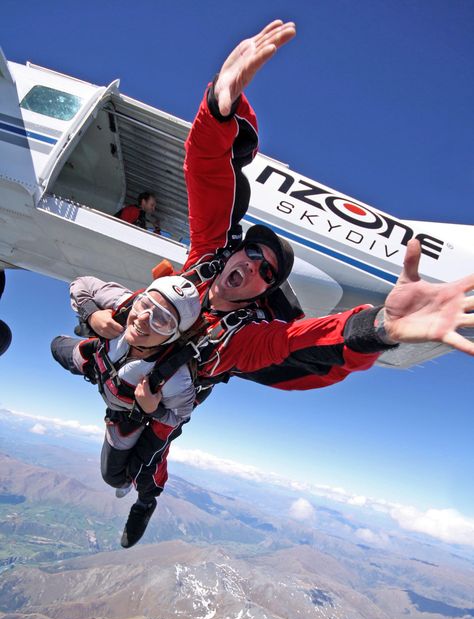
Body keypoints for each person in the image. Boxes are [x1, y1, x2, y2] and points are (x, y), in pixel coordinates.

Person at [70, 21, 474, 536]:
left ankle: (146, 503)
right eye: (252, 254)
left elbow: (306, 342)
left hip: (170, 393)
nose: (253, 267)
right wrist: (221, 106)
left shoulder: (245, 340)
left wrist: (381, 328)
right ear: (232, 253)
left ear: (264, 292)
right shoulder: (205, 261)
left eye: (267, 273)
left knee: (135, 467)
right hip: (130, 355)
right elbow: (207, 177)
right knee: (85, 336)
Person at [51, 274, 201, 548]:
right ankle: (85, 343)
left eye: (162, 319)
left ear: (174, 336)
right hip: (98, 362)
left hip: (127, 412)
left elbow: (180, 416)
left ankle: (145, 503)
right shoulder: (124, 305)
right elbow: (81, 284)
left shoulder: (175, 377)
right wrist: (92, 315)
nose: (143, 319)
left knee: (123, 474)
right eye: (145, 305)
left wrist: (152, 410)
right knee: (56, 347)